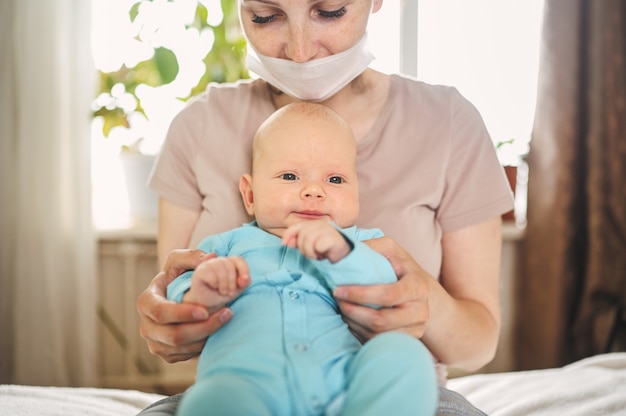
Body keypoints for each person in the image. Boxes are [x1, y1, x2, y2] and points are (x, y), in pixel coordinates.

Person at [137, 0, 514, 414]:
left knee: (407, 366)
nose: (301, 51)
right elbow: (179, 303)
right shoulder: (198, 130)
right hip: (249, 387)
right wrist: (184, 309)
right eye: (265, 16)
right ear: (249, 192)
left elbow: (479, 344)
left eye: (331, 10)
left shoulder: (447, 124)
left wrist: (410, 296)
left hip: (370, 392)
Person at [167, 102, 438, 415]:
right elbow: (180, 288)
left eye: (335, 180)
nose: (313, 190)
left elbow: (385, 290)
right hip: (248, 389)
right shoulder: (226, 244)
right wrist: (200, 292)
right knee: (209, 400)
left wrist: (342, 253)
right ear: (250, 195)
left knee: (404, 355)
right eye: (289, 176)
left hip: (345, 390)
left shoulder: (359, 244)